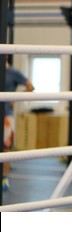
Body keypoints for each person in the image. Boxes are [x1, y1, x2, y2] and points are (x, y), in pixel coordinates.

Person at [3, 58, 35, 190]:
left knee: (6, 147)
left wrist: (16, 98)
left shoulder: (13, 72)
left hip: (6, 116)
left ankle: (4, 178)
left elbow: (30, 86)